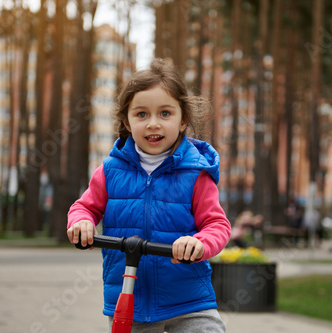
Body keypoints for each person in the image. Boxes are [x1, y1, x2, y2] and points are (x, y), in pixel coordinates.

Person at [67, 58, 231, 333]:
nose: (153, 123)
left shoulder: (196, 174)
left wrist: (199, 243)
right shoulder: (110, 171)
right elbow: (84, 207)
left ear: (183, 121)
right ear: (127, 122)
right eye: (142, 114)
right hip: (132, 298)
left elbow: (217, 225)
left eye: (165, 113)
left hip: (189, 298)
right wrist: (81, 222)